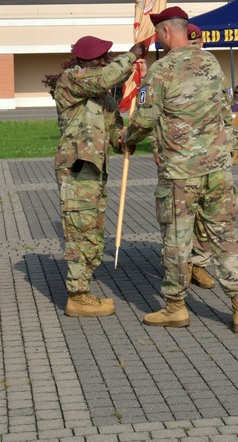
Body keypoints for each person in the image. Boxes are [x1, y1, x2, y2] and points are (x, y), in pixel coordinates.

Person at [122, 6, 238, 332]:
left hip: (181, 173)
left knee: (177, 242)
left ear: (166, 32)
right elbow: (227, 110)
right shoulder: (211, 63)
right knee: (224, 238)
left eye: (159, 36)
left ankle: (176, 308)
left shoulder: (161, 71)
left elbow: (144, 118)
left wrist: (128, 139)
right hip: (218, 170)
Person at [54, 35, 145, 317]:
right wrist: (130, 56)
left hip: (96, 171)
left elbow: (113, 127)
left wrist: (127, 138)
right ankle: (77, 297)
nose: (107, 60)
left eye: (107, 57)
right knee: (80, 232)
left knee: (93, 234)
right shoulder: (72, 78)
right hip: (78, 171)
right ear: (87, 60)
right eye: (102, 57)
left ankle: (84, 290)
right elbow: (106, 77)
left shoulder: (101, 94)